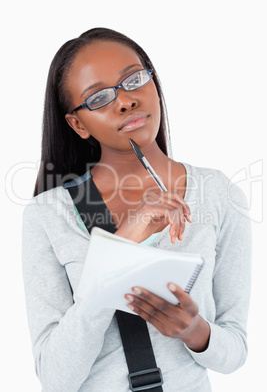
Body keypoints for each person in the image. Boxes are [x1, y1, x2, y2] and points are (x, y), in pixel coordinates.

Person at [22, 28, 251, 392]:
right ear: (78, 124)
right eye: (98, 98)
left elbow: (236, 350)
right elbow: (55, 377)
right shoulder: (48, 214)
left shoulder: (218, 193)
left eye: (134, 79)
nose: (125, 101)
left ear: (154, 85)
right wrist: (122, 244)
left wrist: (196, 332)